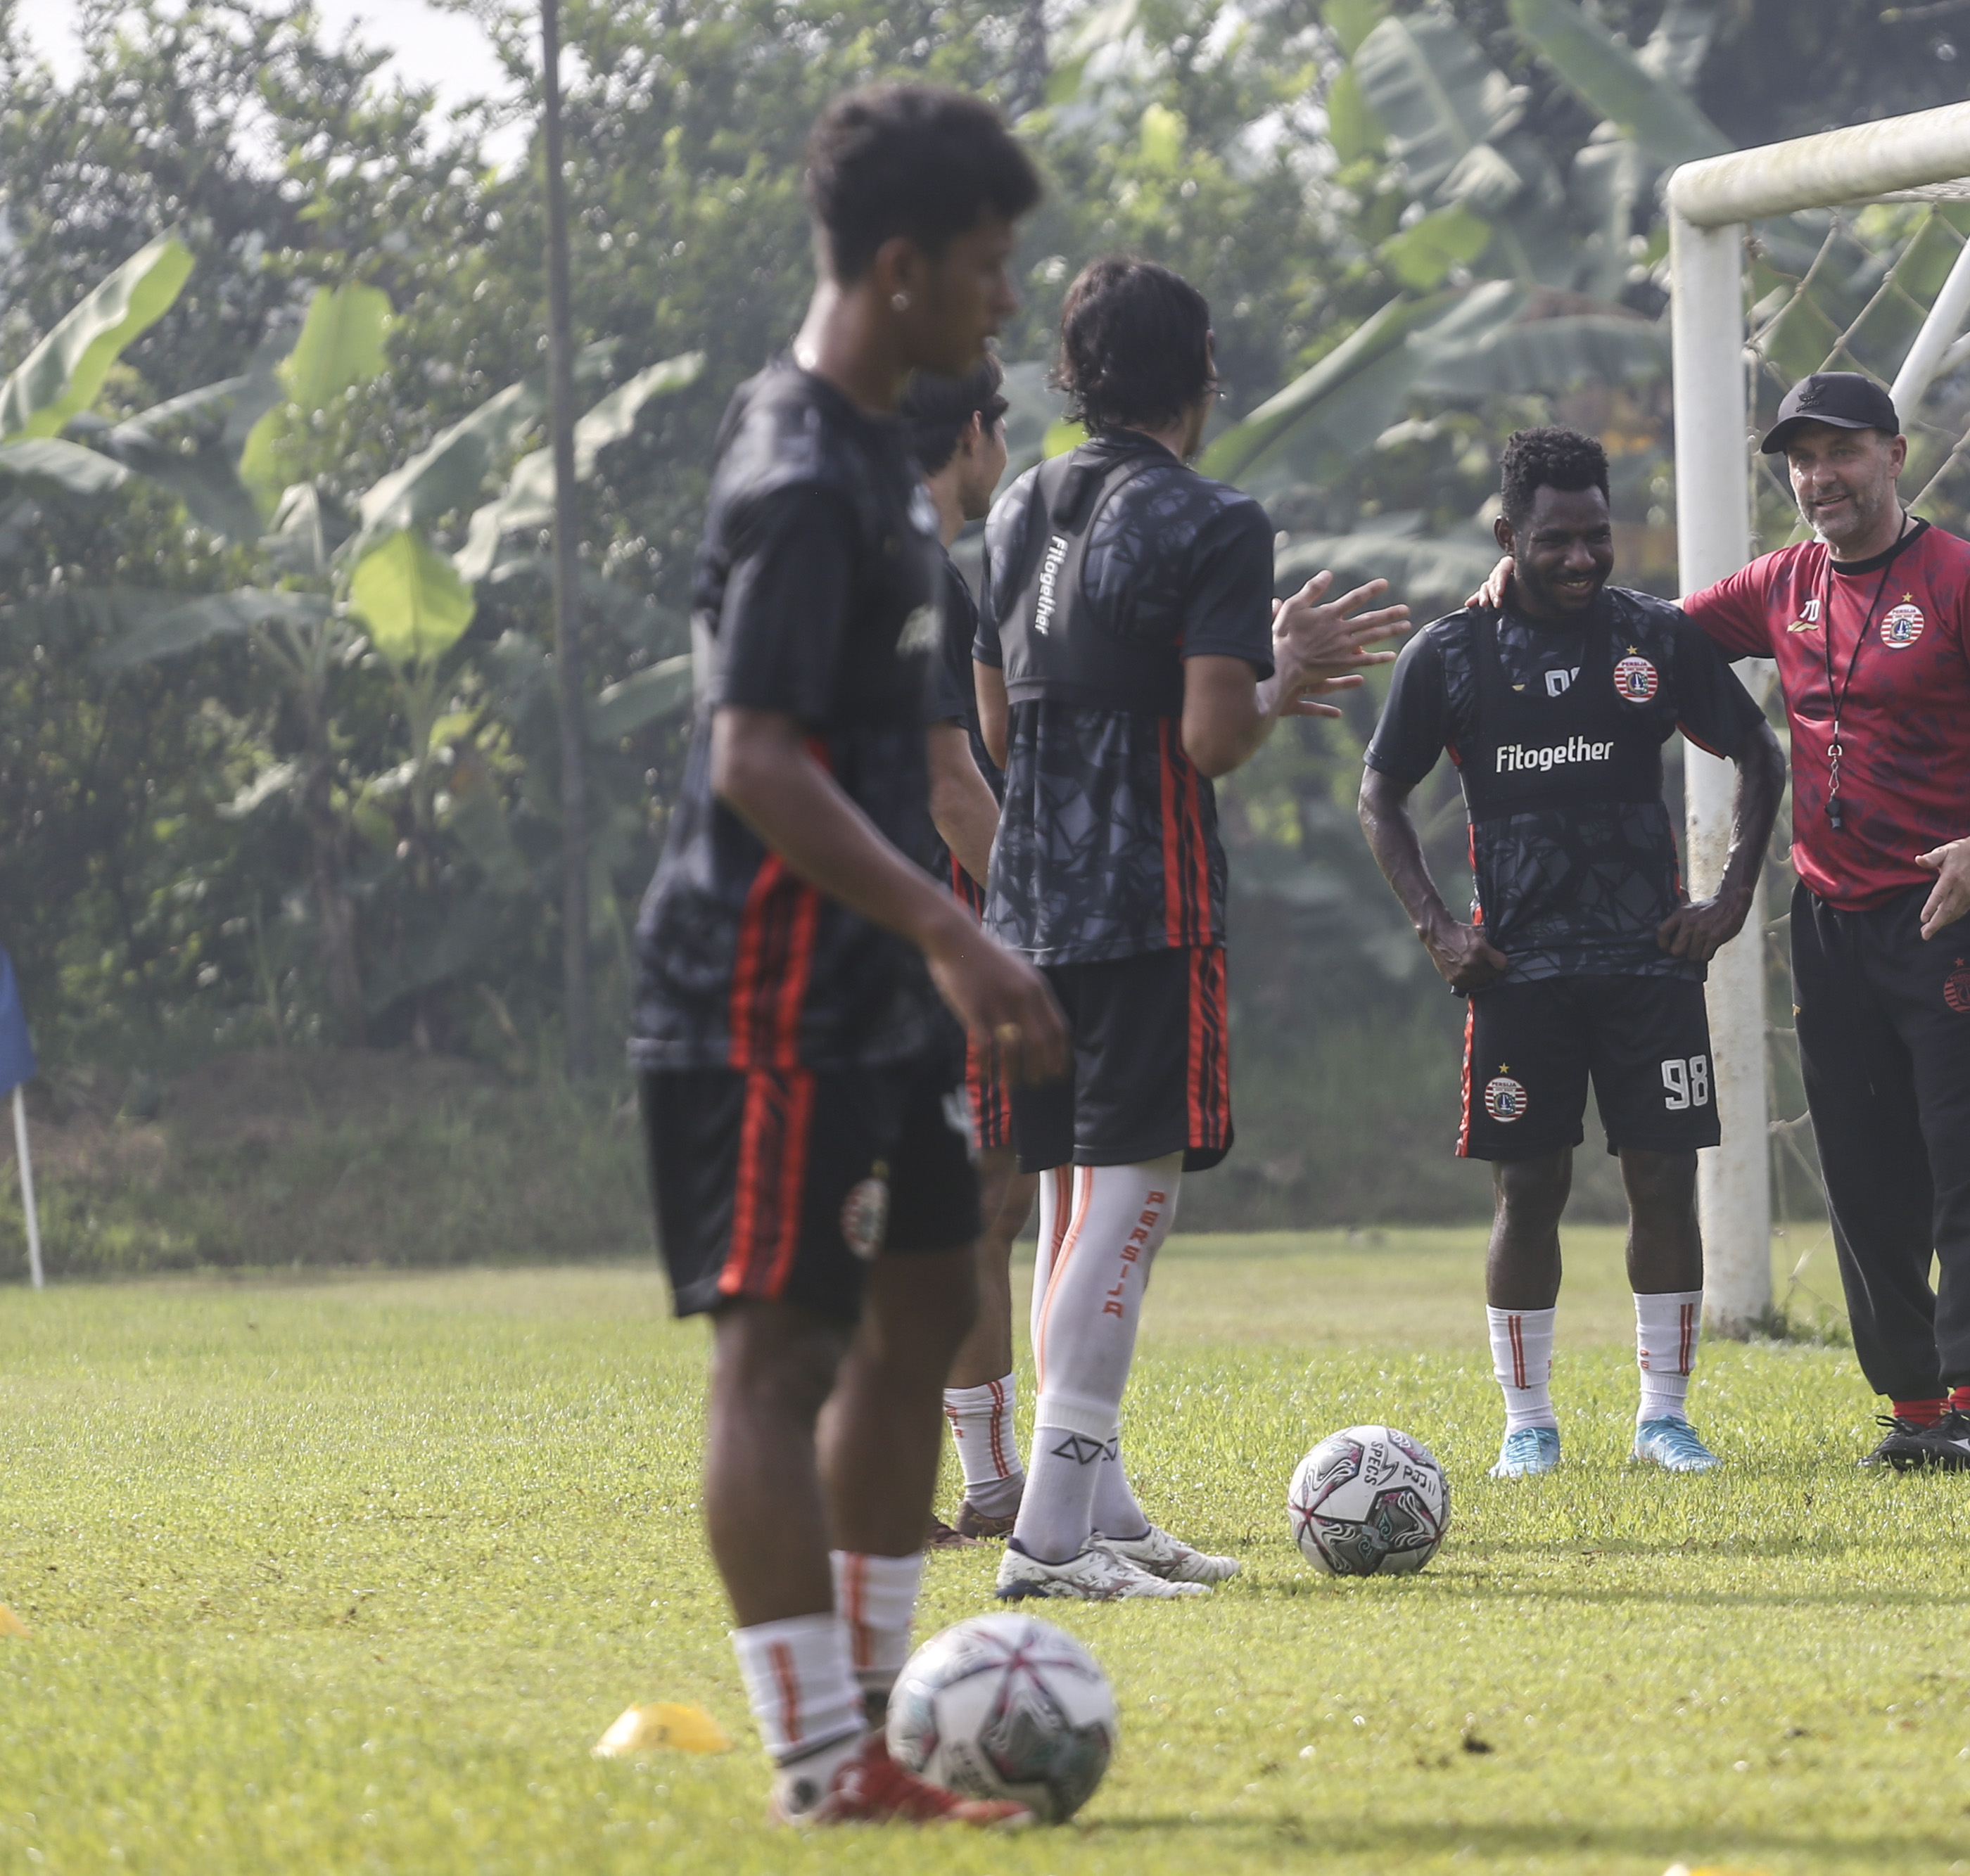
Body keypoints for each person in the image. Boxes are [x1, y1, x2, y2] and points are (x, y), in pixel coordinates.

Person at [628, 84, 1069, 1826]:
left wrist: (932, 939)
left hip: (874, 978)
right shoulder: (803, 477)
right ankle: (823, 1760)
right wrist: (956, 927)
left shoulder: (882, 461)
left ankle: (879, 1720)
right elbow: (753, 756)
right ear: (901, 268)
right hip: (763, 982)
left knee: (925, 1304)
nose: (1004, 299)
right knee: (779, 1352)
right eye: (986, 264)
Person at [1467, 371, 1970, 1474]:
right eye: (1801, 459)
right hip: (1831, 919)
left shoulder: (1967, 582)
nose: (1820, 477)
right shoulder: (1781, 584)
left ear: (1895, 455)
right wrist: (1511, 581)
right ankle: (1913, 1406)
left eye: (1842, 451)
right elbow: (1644, 630)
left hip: (1949, 911)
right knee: (1860, 1165)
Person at [972, 256, 1411, 1600]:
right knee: (1131, 1195)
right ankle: (1051, 1541)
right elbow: (1214, 738)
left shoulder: (1016, 507)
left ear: (1077, 375)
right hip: (1144, 906)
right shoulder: (1214, 519)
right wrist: (1281, 673)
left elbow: (997, 729)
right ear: (1202, 376)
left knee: (1067, 1195)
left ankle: (1097, 1511)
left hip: (1023, 909)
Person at [1359, 428, 1784, 1479]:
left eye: (1597, 534)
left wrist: (1731, 897)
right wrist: (1439, 928)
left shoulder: (1654, 636)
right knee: (1529, 1188)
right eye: (1556, 539)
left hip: (1649, 963)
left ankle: (1664, 1420)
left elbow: (1758, 753)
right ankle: (1528, 1426)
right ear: (1510, 535)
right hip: (1520, 972)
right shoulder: (1450, 654)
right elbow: (1381, 796)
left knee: (1663, 1179)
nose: (1582, 557)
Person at [894, 357, 1040, 1548]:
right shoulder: (917, 575)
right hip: (925, 936)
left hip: (857, 933)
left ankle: (987, 1486)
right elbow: (952, 793)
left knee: (969, 1206)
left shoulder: (853, 561)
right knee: (962, 1209)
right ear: (976, 434)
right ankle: (920, 1490)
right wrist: (1036, 922)